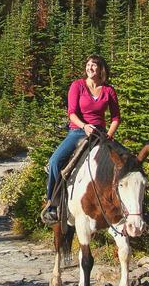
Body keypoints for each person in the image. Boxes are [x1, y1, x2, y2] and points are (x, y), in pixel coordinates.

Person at [41, 54, 121, 225]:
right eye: (88, 65)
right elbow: (71, 113)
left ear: (101, 69)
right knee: (55, 161)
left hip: (100, 134)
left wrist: (109, 135)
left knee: (125, 162)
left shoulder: (108, 90)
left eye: (94, 65)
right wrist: (84, 126)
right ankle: (52, 205)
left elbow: (115, 118)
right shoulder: (77, 86)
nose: (90, 68)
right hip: (78, 131)